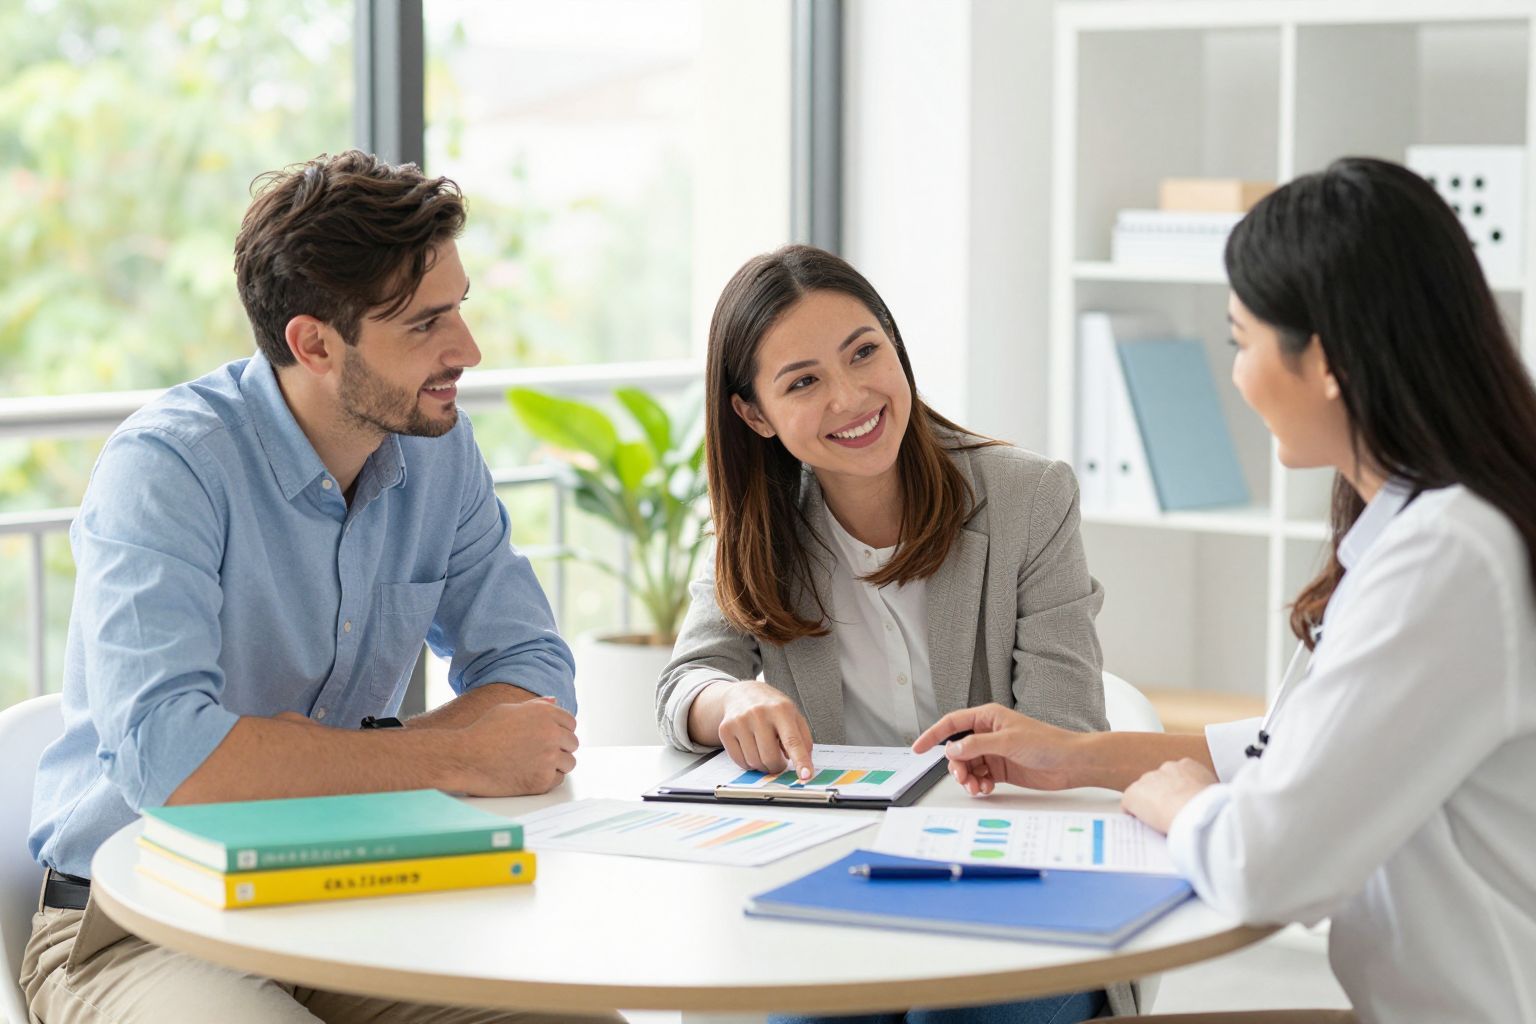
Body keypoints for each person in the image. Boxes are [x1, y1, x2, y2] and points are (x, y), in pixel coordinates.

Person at [914, 157, 1536, 1024]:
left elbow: (1271, 865)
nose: (1237, 375)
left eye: (1242, 340)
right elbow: (1301, 751)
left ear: (1324, 359)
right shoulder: (1438, 519)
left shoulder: (1451, 559)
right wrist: (1079, 758)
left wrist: (1182, 804)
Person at [22, 151, 610, 1024]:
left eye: (461, 308)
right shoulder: (169, 468)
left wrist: (291, 762)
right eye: (425, 324)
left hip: (352, 896)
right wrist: (449, 754)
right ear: (313, 344)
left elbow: (532, 671)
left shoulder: (439, 453)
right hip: (141, 920)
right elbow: (169, 761)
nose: (468, 351)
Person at [656, 244, 1131, 1022]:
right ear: (754, 414)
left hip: (1008, 882)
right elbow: (688, 681)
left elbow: (1070, 725)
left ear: (896, 348)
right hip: (837, 882)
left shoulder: (1027, 498)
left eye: (864, 353)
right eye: (803, 382)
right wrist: (730, 699)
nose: (851, 397)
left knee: (956, 1016)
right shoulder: (755, 530)